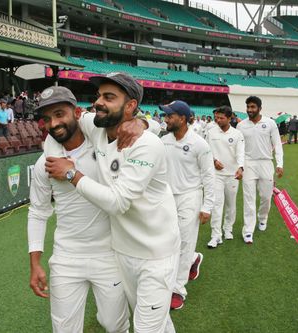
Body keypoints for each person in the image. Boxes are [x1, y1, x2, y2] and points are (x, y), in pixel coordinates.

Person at [44, 73, 181, 333]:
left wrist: (72, 174)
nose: (98, 102)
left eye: (109, 97)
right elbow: (56, 128)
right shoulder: (96, 126)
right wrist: (143, 121)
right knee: (157, 323)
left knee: (145, 329)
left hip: (156, 254)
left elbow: (118, 202)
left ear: (130, 106)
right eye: (98, 96)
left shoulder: (146, 144)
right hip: (123, 252)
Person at [28, 86, 130, 333]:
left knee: (113, 325)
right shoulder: (45, 163)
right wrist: (35, 263)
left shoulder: (104, 145)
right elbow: (38, 212)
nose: (53, 123)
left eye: (60, 114)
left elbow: (139, 130)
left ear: (76, 113)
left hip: (109, 253)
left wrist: (141, 125)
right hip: (66, 257)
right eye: (47, 119)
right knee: (64, 329)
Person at [160, 100, 215, 310]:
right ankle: (193, 259)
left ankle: (177, 290)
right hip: (167, 196)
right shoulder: (163, 141)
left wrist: (207, 206)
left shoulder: (199, 143)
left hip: (190, 196)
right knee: (168, 241)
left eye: (170, 116)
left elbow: (209, 176)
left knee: (184, 241)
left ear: (182, 118)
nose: (166, 119)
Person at [237, 96, 283, 244]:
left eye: (252, 107)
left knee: (265, 197)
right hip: (248, 163)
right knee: (249, 199)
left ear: (259, 108)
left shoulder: (270, 123)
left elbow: (278, 144)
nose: (250, 110)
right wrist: (239, 166)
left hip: (265, 163)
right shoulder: (241, 125)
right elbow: (239, 148)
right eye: (248, 107)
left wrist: (279, 164)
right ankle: (248, 230)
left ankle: (263, 218)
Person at [206, 105, 244, 248]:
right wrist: (214, 160)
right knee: (216, 204)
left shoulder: (237, 134)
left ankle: (228, 229)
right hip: (216, 174)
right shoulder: (211, 132)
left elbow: (241, 152)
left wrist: (240, 167)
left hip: (232, 174)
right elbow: (207, 150)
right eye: (217, 118)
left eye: (221, 118)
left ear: (229, 118)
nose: (218, 120)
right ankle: (216, 235)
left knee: (231, 204)